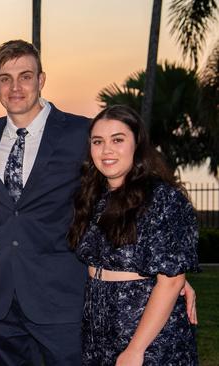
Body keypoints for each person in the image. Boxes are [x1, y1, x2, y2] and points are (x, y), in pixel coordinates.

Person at [0, 40, 197, 365]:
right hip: (0, 302)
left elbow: (128, 191)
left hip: (62, 302)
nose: (15, 87)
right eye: (5, 78)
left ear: (41, 79)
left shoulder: (80, 133)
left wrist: (173, 277)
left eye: (25, 76)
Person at [68, 105, 199, 365]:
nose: (106, 150)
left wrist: (136, 349)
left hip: (147, 336)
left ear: (137, 144)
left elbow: (171, 281)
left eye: (118, 139)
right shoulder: (93, 195)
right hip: (98, 334)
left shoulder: (163, 198)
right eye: (98, 141)